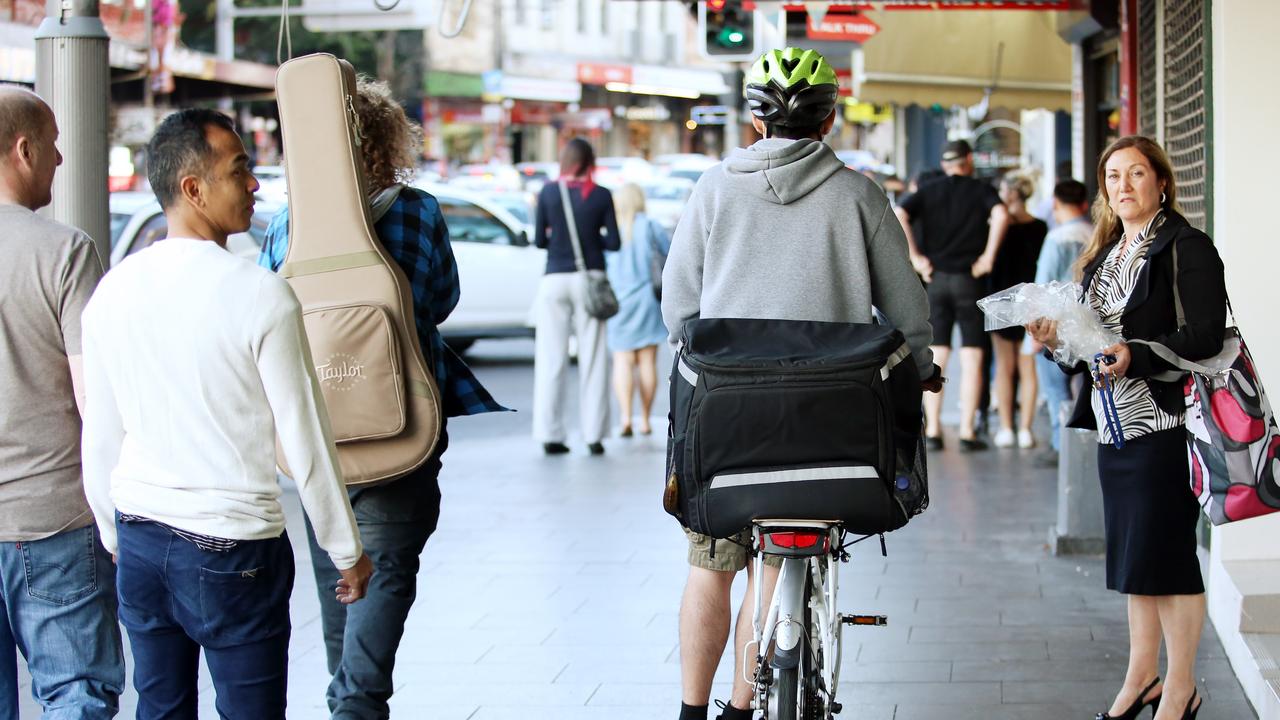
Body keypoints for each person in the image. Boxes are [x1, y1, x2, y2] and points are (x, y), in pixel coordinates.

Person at [663, 48, 941, 720]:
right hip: (830, 420)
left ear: (755, 122)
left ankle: (692, 712)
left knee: (712, 565)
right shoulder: (858, 193)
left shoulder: (713, 189)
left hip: (727, 419)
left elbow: (678, 309)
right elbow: (906, 312)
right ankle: (740, 706)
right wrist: (925, 369)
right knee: (779, 555)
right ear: (830, 119)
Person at [80, 109, 373, 720]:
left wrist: (114, 534)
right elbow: (306, 435)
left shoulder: (113, 291)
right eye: (239, 170)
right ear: (193, 189)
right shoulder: (258, 292)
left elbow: (101, 432)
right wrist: (345, 548)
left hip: (139, 538)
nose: (255, 184)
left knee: (160, 708)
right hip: (232, 548)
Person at [260, 77, 506, 719]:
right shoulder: (419, 211)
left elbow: (268, 316)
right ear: (385, 143)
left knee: (341, 622)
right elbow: (443, 299)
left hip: (318, 453)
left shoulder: (288, 226)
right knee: (368, 659)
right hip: (402, 442)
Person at [1027, 136, 1223, 720]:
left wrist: (1136, 353)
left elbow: (1206, 337)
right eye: (1114, 175)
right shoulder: (1106, 252)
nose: (1124, 185)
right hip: (1116, 429)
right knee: (1138, 561)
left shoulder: (1186, 248)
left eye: (1137, 173)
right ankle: (1142, 678)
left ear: (1161, 181)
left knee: (1170, 559)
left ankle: (1181, 688)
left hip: (1166, 424)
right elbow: (1090, 344)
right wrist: (1055, 342)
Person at [0, 87, 124, 719]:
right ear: (23, 150)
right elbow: (94, 395)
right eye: (51, 143)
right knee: (77, 693)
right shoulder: (63, 251)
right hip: (50, 519)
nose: (61, 159)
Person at [895, 139, 1010, 451]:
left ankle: (932, 429)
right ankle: (967, 431)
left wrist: (917, 258)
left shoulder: (928, 190)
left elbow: (899, 212)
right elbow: (1001, 215)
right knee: (972, 355)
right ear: (968, 160)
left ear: (945, 163)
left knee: (938, 352)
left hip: (935, 279)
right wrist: (987, 258)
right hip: (968, 279)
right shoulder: (980, 190)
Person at [532, 137, 620, 455]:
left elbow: (539, 241)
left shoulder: (548, 191)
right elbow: (614, 243)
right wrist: (591, 236)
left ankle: (550, 434)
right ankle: (594, 435)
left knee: (551, 358)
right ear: (590, 161)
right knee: (594, 358)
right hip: (590, 279)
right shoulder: (601, 195)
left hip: (554, 279)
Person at [1028, 179, 1092, 466]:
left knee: (1056, 387)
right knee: (1086, 385)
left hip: (1057, 325)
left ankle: (1060, 444)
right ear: (1085, 204)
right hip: (1089, 321)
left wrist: (1036, 331)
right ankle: (1084, 440)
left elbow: (1042, 286)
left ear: (1055, 204)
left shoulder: (1056, 238)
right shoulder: (1095, 234)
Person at [606, 182, 670, 437]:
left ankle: (624, 417)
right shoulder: (652, 226)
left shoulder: (612, 230)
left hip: (619, 302)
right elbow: (669, 256)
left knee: (622, 360)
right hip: (647, 299)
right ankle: (644, 419)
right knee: (647, 360)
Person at [988, 172, 1047, 449]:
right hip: (1030, 300)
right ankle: (1025, 429)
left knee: (1004, 365)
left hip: (1000, 299)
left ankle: (1006, 428)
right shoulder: (1040, 227)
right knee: (1028, 366)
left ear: (1011, 193)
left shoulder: (998, 226)